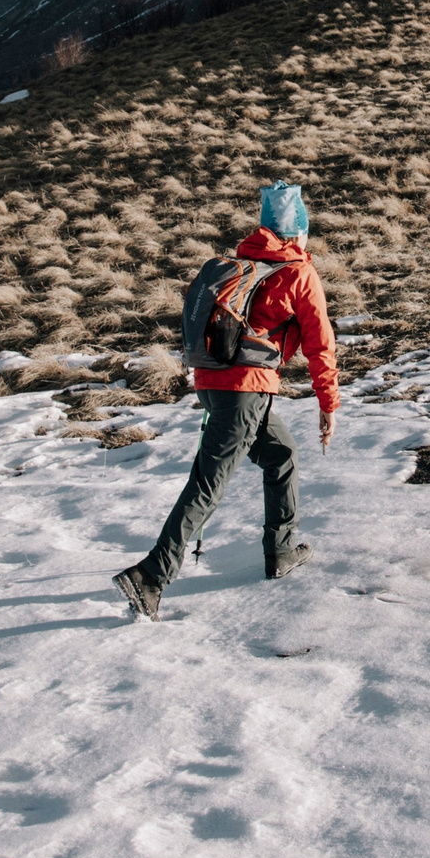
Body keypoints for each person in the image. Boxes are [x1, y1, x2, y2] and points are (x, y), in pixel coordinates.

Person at [113, 182, 339, 621]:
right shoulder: (298, 272)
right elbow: (320, 346)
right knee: (209, 482)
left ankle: (281, 550)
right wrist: (327, 404)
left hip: (214, 382)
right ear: (298, 232)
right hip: (247, 389)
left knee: (281, 455)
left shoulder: (240, 263)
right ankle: (151, 576)